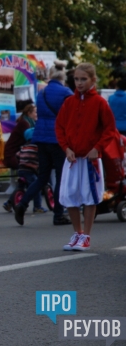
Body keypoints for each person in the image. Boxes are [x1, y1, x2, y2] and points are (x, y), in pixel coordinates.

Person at [55, 63, 116, 251]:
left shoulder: (99, 103)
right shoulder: (69, 102)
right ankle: (77, 232)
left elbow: (110, 129)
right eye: (76, 79)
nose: (79, 83)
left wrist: (97, 148)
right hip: (72, 159)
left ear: (92, 80)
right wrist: (66, 148)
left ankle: (86, 235)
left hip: (90, 160)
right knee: (69, 195)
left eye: (84, 79)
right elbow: (60, 127)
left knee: (89, 196)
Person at [14, 62, 73, 225]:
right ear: (63, 77)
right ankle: (59, 214)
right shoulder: (66, 92)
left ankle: (22, 204)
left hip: (41, 137)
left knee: (42, 177)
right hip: (57, 138)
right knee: (61, 177)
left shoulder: (42, 92)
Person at [3, 104, 46, 213]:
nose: (37, 114)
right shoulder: (26, 124)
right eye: (35, 112)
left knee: (23, 181)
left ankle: (9, 203)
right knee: (34, 182)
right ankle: (37, 206)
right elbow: (31, 138)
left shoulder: (28, 122)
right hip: (16, 156)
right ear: (29, 113)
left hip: (20, 155)